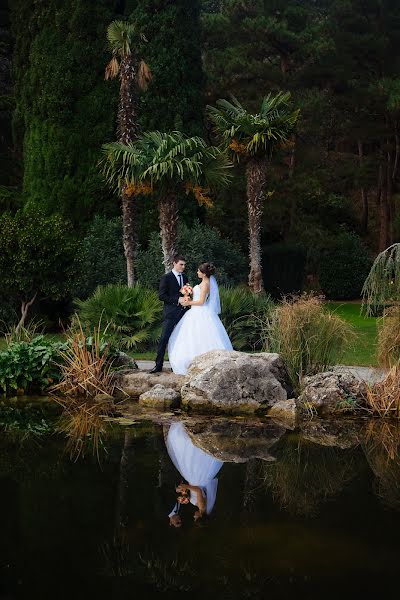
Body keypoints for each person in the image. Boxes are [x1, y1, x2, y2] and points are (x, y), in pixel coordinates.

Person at [168, 262, 233, 375]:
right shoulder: (204, 283)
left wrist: (188, 302)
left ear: (203, 274)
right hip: (196, 311)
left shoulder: (205, 285)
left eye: (199, 271)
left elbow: (201, 302)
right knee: (193, 337)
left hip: (199, 312)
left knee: (198, 336)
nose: (197, 272)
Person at [165, 422, 223, 523]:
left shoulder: (203, 507)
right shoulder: (202, 506)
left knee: (192, 457)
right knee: (190, 456)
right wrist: (185, 487)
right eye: (195, 518)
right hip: (196, 478)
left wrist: (185, 493)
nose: (194, 516)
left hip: (197, 479)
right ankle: (190, 431)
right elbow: (198, 491)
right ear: (200, 516)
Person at [150, 255, 189, 374]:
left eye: (184, 265)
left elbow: (186, 294)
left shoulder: (185, 277)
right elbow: (161, 296)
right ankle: (158, 365)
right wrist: (177, 300)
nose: (183, 267)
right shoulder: (166, 278)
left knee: (181, 339)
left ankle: (177, 365)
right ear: (174, 263)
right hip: (170, 313)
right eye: (181, 264)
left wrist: (187, 300)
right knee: (164, 339)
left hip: (184, 313)